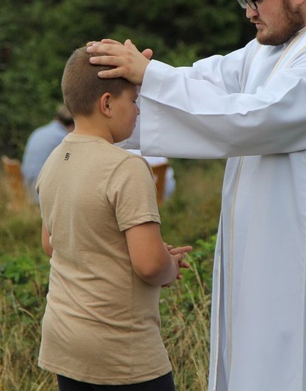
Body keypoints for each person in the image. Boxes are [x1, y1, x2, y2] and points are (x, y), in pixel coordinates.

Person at [87, 0, 306, 390]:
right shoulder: (270, 50)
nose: (247, 13)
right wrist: (115, 109)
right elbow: (208, 84)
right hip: (261, 262)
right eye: (241, 0)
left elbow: (252, 118)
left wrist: (154, 76)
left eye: (254, 0)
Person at [36, 47, 192, 390]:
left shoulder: (54, 160)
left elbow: (52, 245)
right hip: (121, 349)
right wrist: (167, 265)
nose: (138, 111)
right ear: (107, 104)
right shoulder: (127, 167)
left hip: (66, 337)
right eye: (135, 100)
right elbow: (150, 266)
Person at [21, 104, 74, 203]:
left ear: (57, 118)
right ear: (72, 125)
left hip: (28, 189)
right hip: (40, 194)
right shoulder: (63, 138)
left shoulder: (39, 131)